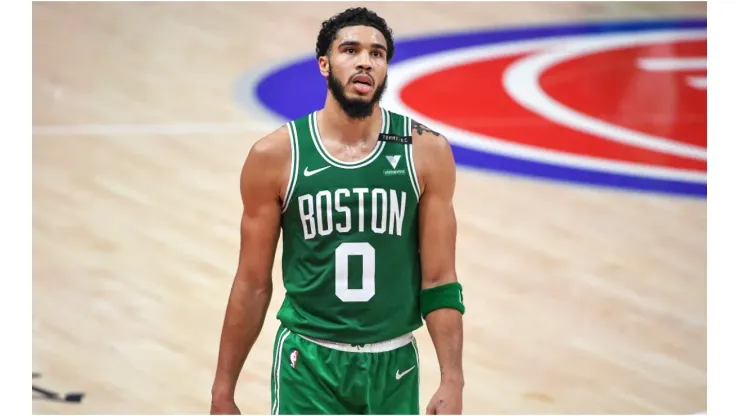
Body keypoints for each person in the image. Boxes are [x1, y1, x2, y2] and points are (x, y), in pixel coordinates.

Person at [210, 7, 465, 415]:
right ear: (324, 64)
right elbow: (253, 282)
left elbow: (439, 278)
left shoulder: (427, 152)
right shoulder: (275, 156)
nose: (366, 60)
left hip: (394, 363)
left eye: (377, 54)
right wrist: (223, 391)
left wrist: (452, 379)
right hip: (309, 363)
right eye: (351, 50)